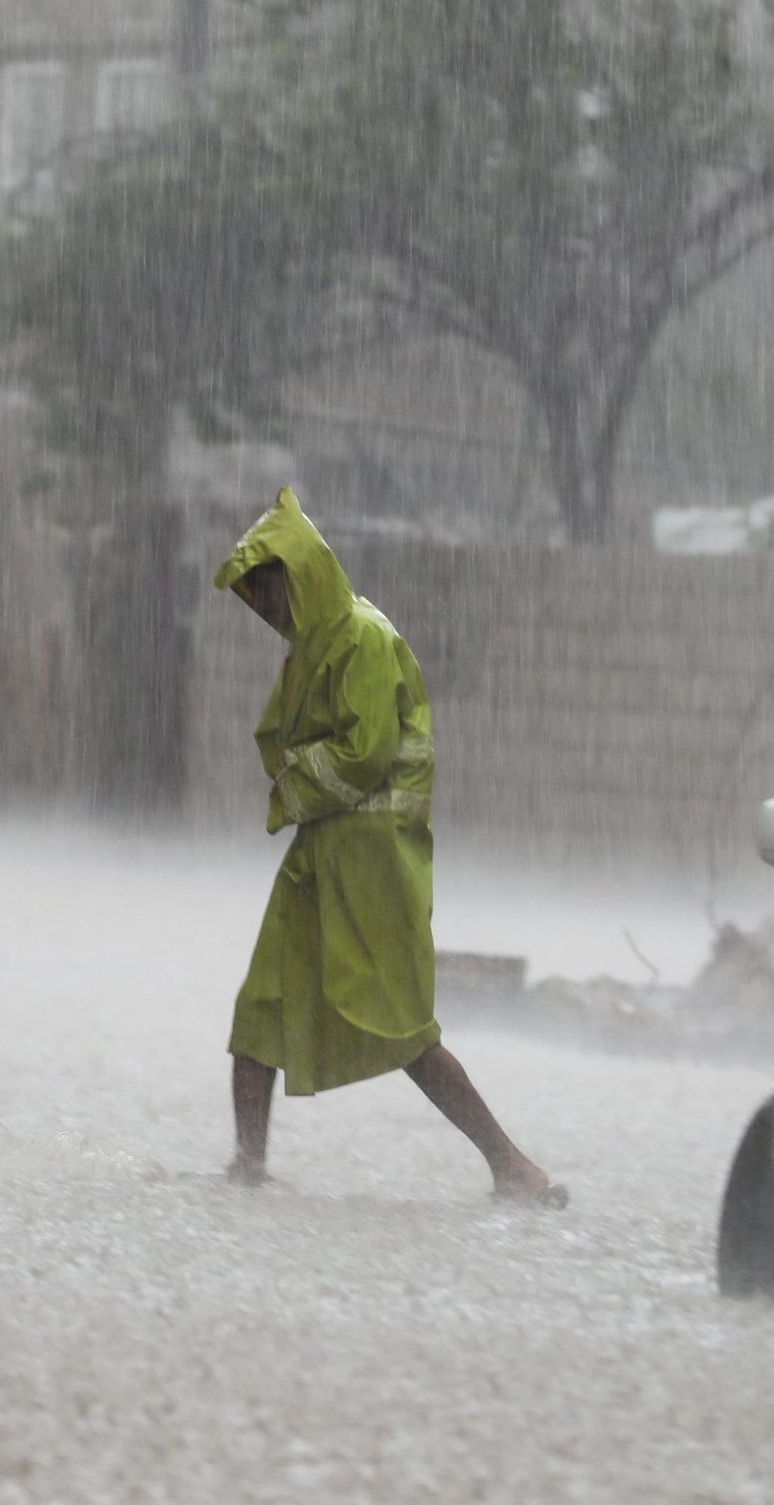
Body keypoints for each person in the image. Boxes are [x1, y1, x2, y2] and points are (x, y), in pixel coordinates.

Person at [213, 488, 567, 1207]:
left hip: (372, 864)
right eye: (252, 599)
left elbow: (363, 755)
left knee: (402, 1026)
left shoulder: (363, 639)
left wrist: (293, 777)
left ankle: (513, 1165)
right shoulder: (312, 649)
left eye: (267, 590)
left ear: (299, 574)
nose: (263, 609)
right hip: (321, 854)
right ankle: (248, 1164)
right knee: (262, 1004)